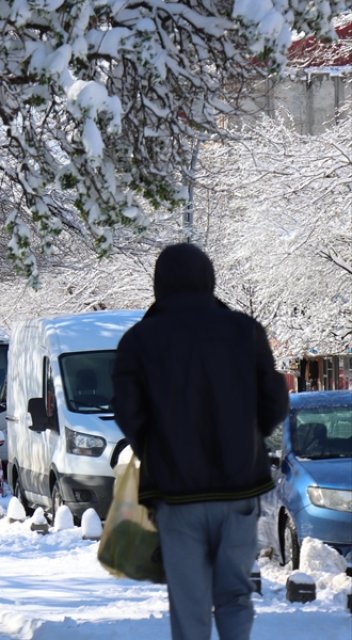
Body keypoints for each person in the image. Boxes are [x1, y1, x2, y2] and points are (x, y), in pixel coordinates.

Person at [112, 243, 289, 640]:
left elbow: (128, 411)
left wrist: (153, 449)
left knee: (189, 603)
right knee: (236, 594)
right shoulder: (245, 331)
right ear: (209, 279)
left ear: (160, 285)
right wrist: (248, 438)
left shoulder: (139, 341)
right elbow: (275, 399)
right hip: (240, 490)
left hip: (177, 497)